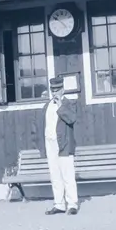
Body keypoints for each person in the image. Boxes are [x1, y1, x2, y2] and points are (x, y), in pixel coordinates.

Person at [43, 75, 79, 216]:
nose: (55, 93)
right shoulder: (47, 106)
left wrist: (60, 106)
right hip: (50, 142)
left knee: (67, 175)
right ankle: (59, 204)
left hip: (64, 144)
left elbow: (71, 119)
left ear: (63, 90)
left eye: (57, 90)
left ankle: (72, 204)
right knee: (55, 175)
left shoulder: (69, 104)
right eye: (52, 90)